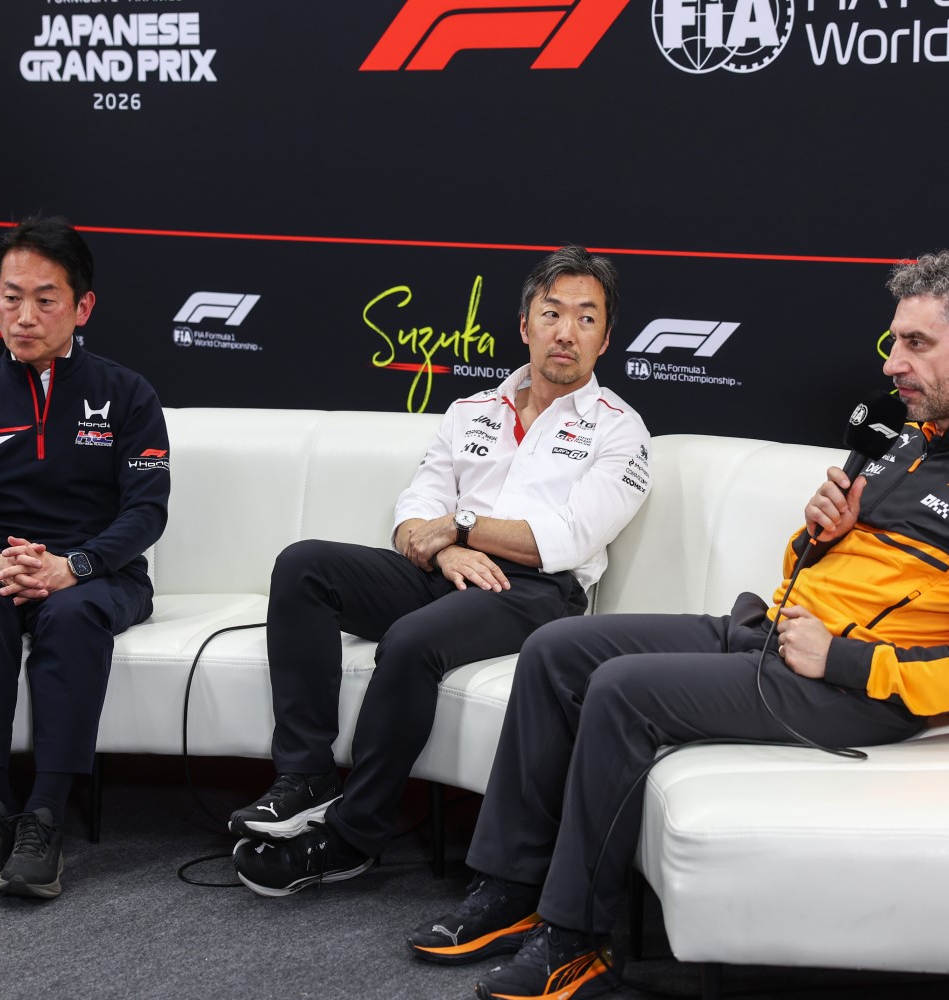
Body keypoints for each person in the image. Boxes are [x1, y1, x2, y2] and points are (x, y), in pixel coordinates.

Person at [409, 249, 949, 1000]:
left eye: (916, 344)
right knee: (559, 647)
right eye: (893, 341)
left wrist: (845, 660)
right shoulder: (908, 444)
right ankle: (509, 888)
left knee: (622, 691)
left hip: (855, 691)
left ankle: (574, 938)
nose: (892, 363)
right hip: (773, 633)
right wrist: (822, 534)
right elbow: (833, 574)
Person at [230, 246, 652, 898]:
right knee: (304, 566)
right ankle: (304, 775)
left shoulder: (620, 431)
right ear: (524, 325)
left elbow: (565, 540)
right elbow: (416, 511)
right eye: (552, 313)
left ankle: (351, 836)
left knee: (411, 642)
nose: (566, 332)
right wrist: (442, 547)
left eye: (586, 318)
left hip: (538, 592)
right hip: (443, 569)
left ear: (605, 338)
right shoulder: (471, 410)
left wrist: (460, 529)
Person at [0, 216, 169, 899]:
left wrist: (75, 565)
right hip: (1, 570)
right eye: (10, 296)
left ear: (81, 306)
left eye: (45, 299)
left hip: (100, 576)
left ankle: (46, 817)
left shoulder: (129, 394)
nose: (23, 316)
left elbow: (146, 511)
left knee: (73, 613)